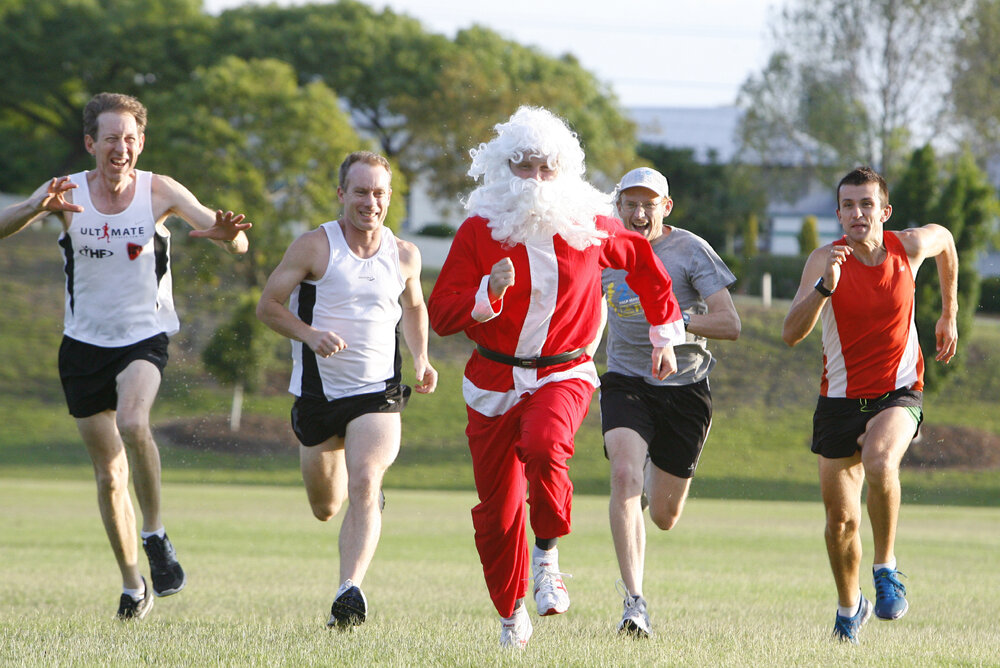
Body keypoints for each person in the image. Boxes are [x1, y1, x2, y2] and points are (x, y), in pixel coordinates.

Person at [427, 107, 685, 649]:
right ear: (503, 170)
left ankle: (547, 553)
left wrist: (666, 335)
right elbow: (444, 312)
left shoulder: (586, 224)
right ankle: (509, 614)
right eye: (524, 167)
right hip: (494, 382)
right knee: (497, 516)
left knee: (545, 445)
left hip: (563, 372)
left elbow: (641, 258)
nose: (537, 180)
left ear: (565, 171)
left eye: (548, 168)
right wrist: (487, 295)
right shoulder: (480, 230)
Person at [0, 92, 251, 620]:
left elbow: (230, 236)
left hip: (143, 336)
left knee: (135, 421)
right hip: (83, 345)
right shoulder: (65, 191)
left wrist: (229, 239)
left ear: (141, 143)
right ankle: (133, 583)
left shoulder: (158, 190)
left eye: (130, 138)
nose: (122, 147)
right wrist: (32, 208)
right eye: (111, 138)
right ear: (92, 143)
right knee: (110, 476)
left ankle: (155, 534)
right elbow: (5, 224)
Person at [256, 150, 437, 629]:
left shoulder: (405, 255)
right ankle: (360, 506)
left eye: (379, 193)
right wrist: (309, 334)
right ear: (342, 194)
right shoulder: (314, 247)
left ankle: (349, 591)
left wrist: (421, 358)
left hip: (378, 393)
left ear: (390, 198)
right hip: (318, 398)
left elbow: (415, 307)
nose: (370, 202)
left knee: (364, 480)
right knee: (324, 506)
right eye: (360, 191)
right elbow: (269, 306)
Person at [782, 166, 958, 644]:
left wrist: (948, 312)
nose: (857, 213)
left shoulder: (909, 247)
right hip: (838, 400)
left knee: (882, 459)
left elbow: (945, 239)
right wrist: (825, 288)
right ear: (837, 212)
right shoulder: (823, 260)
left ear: (885, 210)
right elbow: (791, 334)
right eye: (847, 205)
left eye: (866, 204)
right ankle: (848, 605)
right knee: (840, 522)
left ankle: (886, 569)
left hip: (898, 391)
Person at [600, 167, 740, 637]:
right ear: (617, 205)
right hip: (625, 380)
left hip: (684, 388)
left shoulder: (690, 251)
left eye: (648, 204)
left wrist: (674, 319)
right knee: (622, 475)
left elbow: (729, 323)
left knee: (663, 516)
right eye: (630, 204)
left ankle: (642, 483)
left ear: (667, 207)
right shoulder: (601, 246)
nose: (639, 214)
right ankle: (633, 604)